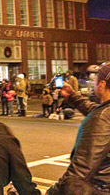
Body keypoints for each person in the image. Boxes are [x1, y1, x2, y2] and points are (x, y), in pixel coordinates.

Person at [47, 62, 110, 194]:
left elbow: (77, 175)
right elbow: (94, 110)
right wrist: (72, 95)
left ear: (102, 85)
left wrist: (51, 192)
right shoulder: (104, 113)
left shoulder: (102, 118)